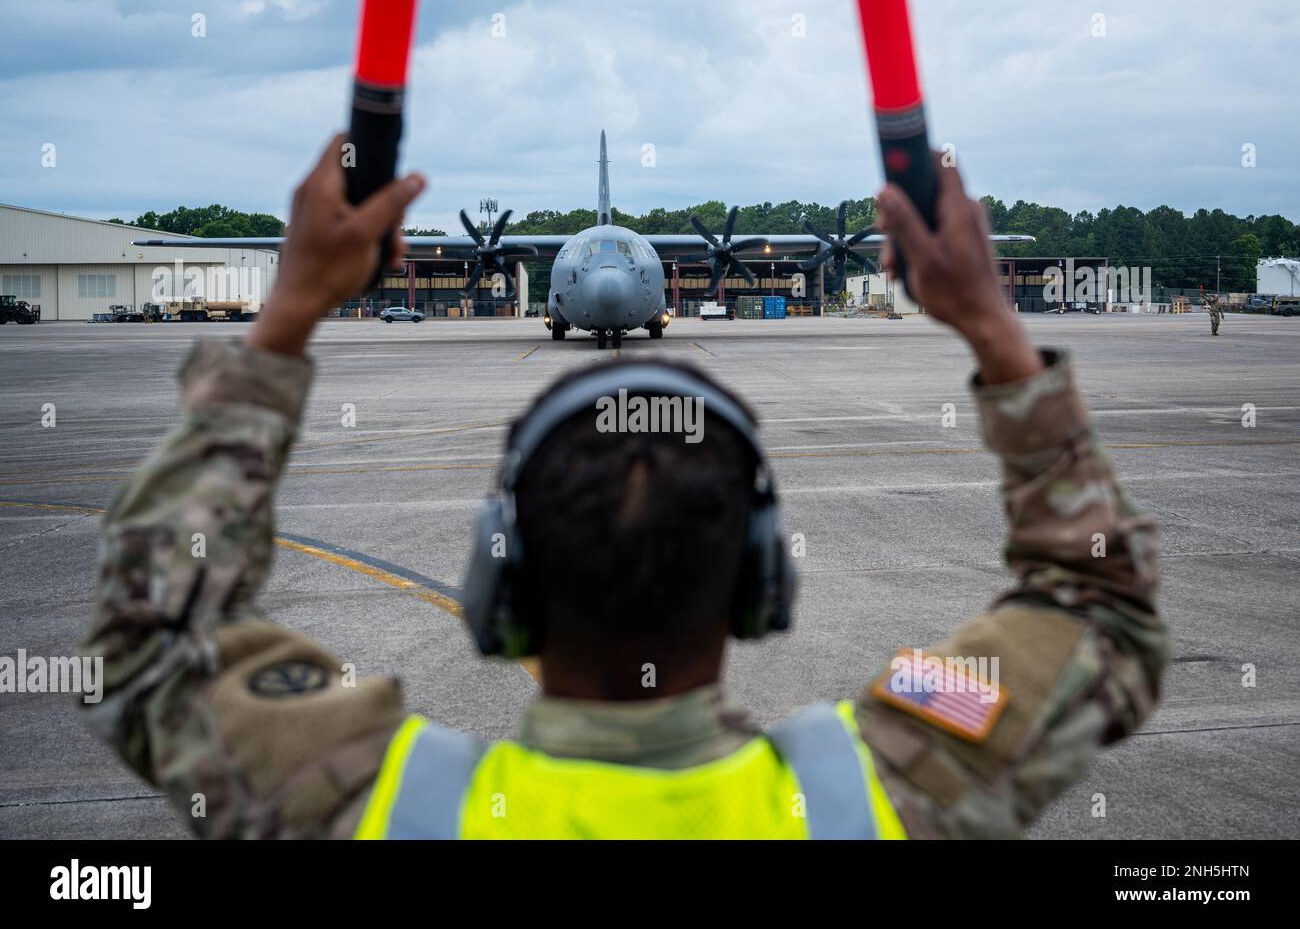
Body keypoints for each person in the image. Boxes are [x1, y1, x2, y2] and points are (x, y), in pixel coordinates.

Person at [81, 139, 1166, 839]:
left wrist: (286, 316)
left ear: (500, 587)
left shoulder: (376, 805)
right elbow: (1100, 610)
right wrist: (992, 326)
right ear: (760, 581)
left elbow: (142, 646)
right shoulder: (880, 790)